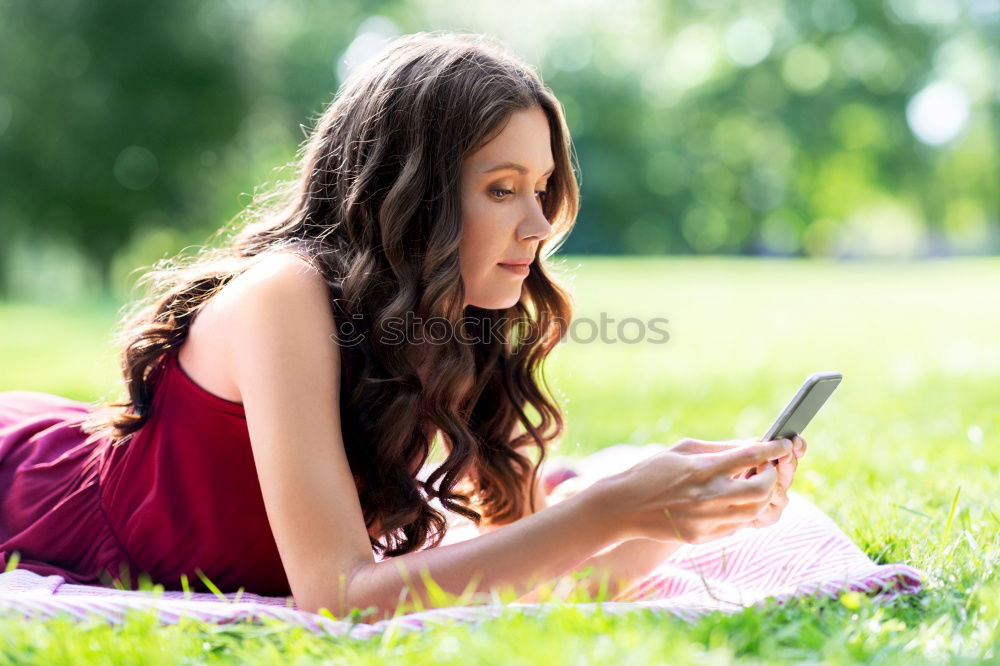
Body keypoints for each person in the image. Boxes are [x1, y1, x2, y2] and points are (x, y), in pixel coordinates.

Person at [0, 31, 806, 622]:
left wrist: (681, 514)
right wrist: (605, 509)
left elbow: (531, 583)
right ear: (410, 193)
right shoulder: (286, 296)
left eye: (543, 187)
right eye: (501, 189)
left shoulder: (455, 323)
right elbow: (343, 596)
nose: (538, 224)